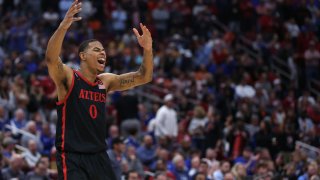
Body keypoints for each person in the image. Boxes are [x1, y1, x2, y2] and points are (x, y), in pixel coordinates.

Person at [45, 0, 153, 179]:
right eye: (96, 50)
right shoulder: (69, 78)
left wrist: (148, 50)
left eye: (103, 50)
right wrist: (63, 27)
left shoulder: (106, 81)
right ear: (83, 56)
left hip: (99, 156)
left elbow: (144, 77)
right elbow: (51, 59)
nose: (103, 53)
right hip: (72, 157)